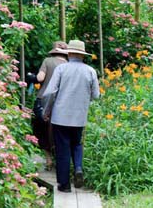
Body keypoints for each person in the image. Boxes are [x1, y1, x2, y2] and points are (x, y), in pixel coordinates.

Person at [42, 40, 100, 192]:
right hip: (79, 117)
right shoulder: (90, 71)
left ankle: (65, 185)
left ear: (69, 53)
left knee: (63, 149)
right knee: (77, 144)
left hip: (60, 117)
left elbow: (50, 92)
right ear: (82, 55)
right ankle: (78, 168)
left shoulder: (62, 69)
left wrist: (46, 110)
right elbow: (96, 95)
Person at [33, 41, 68, 171]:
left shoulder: (47, 61)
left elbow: (40, 78)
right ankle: (60, 160)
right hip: (61, 101)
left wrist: (34, 77)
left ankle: (48, 159)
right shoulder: (68, 65)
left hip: (43, 99)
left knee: (41, 129)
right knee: (58, 130)